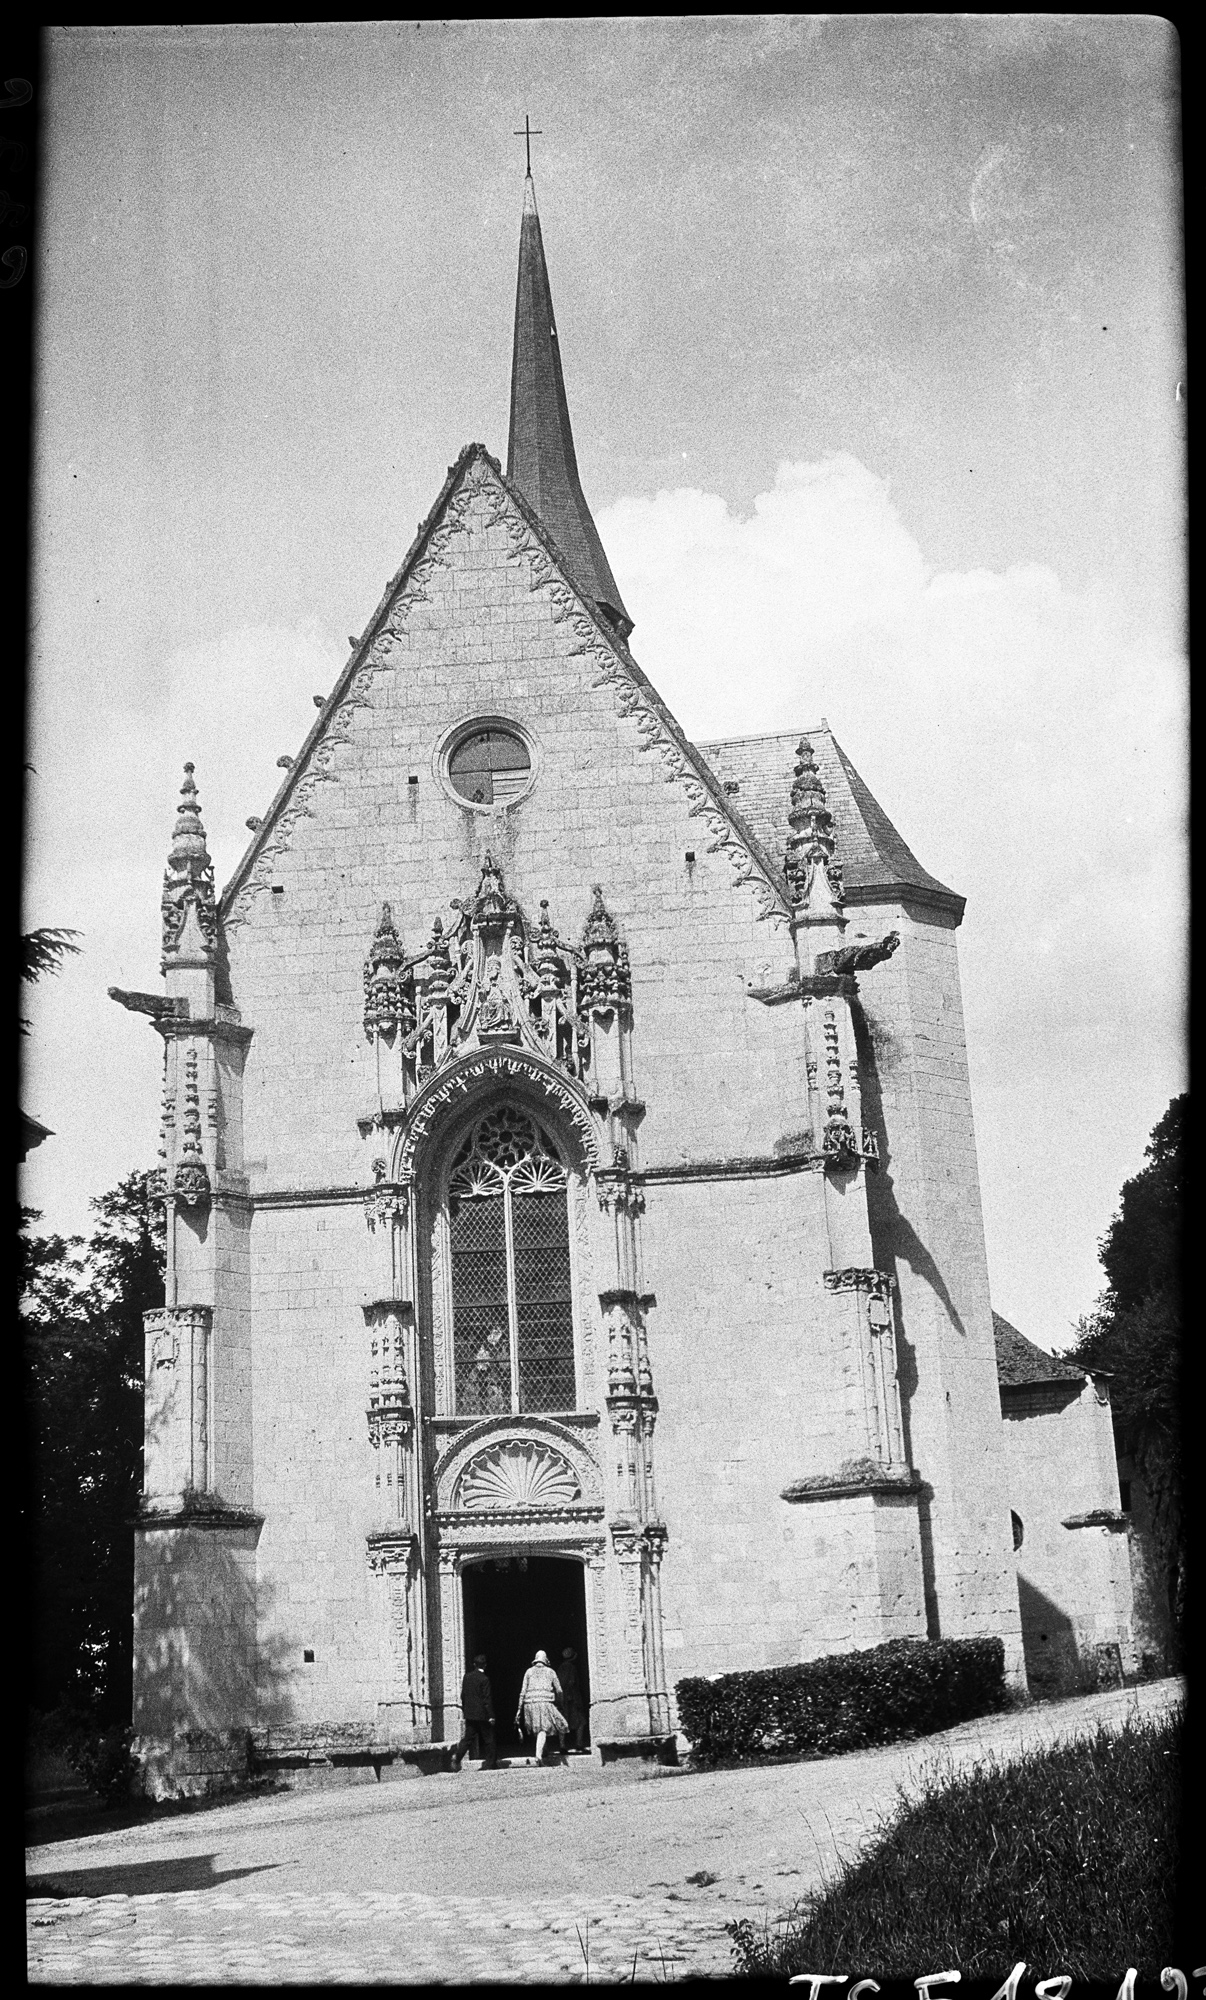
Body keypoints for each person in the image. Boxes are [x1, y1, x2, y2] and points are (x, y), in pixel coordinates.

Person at [515, 1648, 569, 1765]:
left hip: (530, 1703)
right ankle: (538, 1756)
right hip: (545, 1702)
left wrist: (519, 1709)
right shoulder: (551, 1672)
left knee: (538, 1728)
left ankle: (544, 1751)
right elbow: (559, 1690)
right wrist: (560, 1703)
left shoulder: (528, 1672)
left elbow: (522, 1691)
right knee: (543, 1729)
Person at [451, 1654, 497, 1770]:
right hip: (483, 1715)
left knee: (467, 1739)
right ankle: (491, 1763)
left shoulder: (467, 1677)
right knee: (489, 1739)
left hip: (470, 1714)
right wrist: (491, 1715)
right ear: (485, 1665)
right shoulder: (484, 1679)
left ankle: (457, 1756)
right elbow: (487, 1699)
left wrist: (466, 1709)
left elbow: (463, 1695)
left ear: (474, 1665)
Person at [559, 1646, 589, 1751]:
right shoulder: (571, 1668)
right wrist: (573, 1696)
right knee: (581, 1721)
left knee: (563, 1721)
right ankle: (579, 1744)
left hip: (562, 1698)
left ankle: (562, 1745)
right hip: (571, 1698)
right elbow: (571, 1682)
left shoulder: (561, 1667)